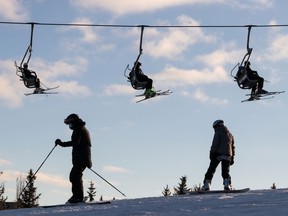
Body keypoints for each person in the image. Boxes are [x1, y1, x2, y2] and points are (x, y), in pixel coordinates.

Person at [55, 113, 92, 203]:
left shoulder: (79, 129)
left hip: (81, 159)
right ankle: (77, 197)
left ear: (74, 122)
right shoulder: (79, 128)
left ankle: (78, 198)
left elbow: (75, 143)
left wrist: (61, 143)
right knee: (75, 176)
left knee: (75, 176)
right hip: (81, 158)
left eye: (70, 124)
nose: (69, 126)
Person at [202, 120, 235, 191]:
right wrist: (232, 157)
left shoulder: (218, 133)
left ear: (217, 126)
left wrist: (211, 153)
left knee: (211, 170)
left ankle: (206, 185)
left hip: (218, 154)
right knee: (225, 171)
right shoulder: (230, 135)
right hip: (227, 155)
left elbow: (215, 144)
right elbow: (232, 147)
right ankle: (227, 184)